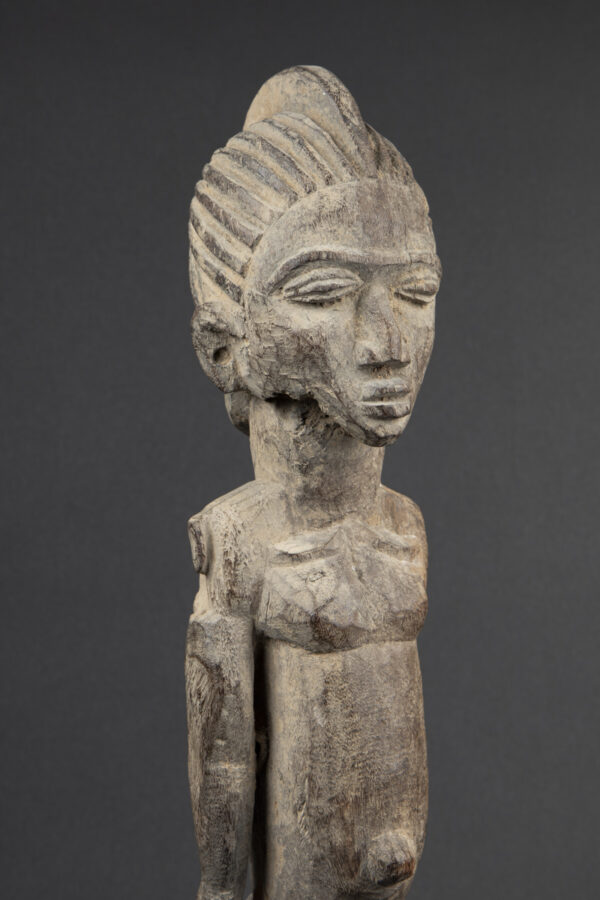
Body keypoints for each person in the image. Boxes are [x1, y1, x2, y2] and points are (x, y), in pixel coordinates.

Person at [186, 66, 441, 900]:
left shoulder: (405, 521)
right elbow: (224, 751)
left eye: (415, 292)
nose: (385, 342)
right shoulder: (239, 538)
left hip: (398, 857)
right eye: (326, 294)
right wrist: (220, 886)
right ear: (227, 344)